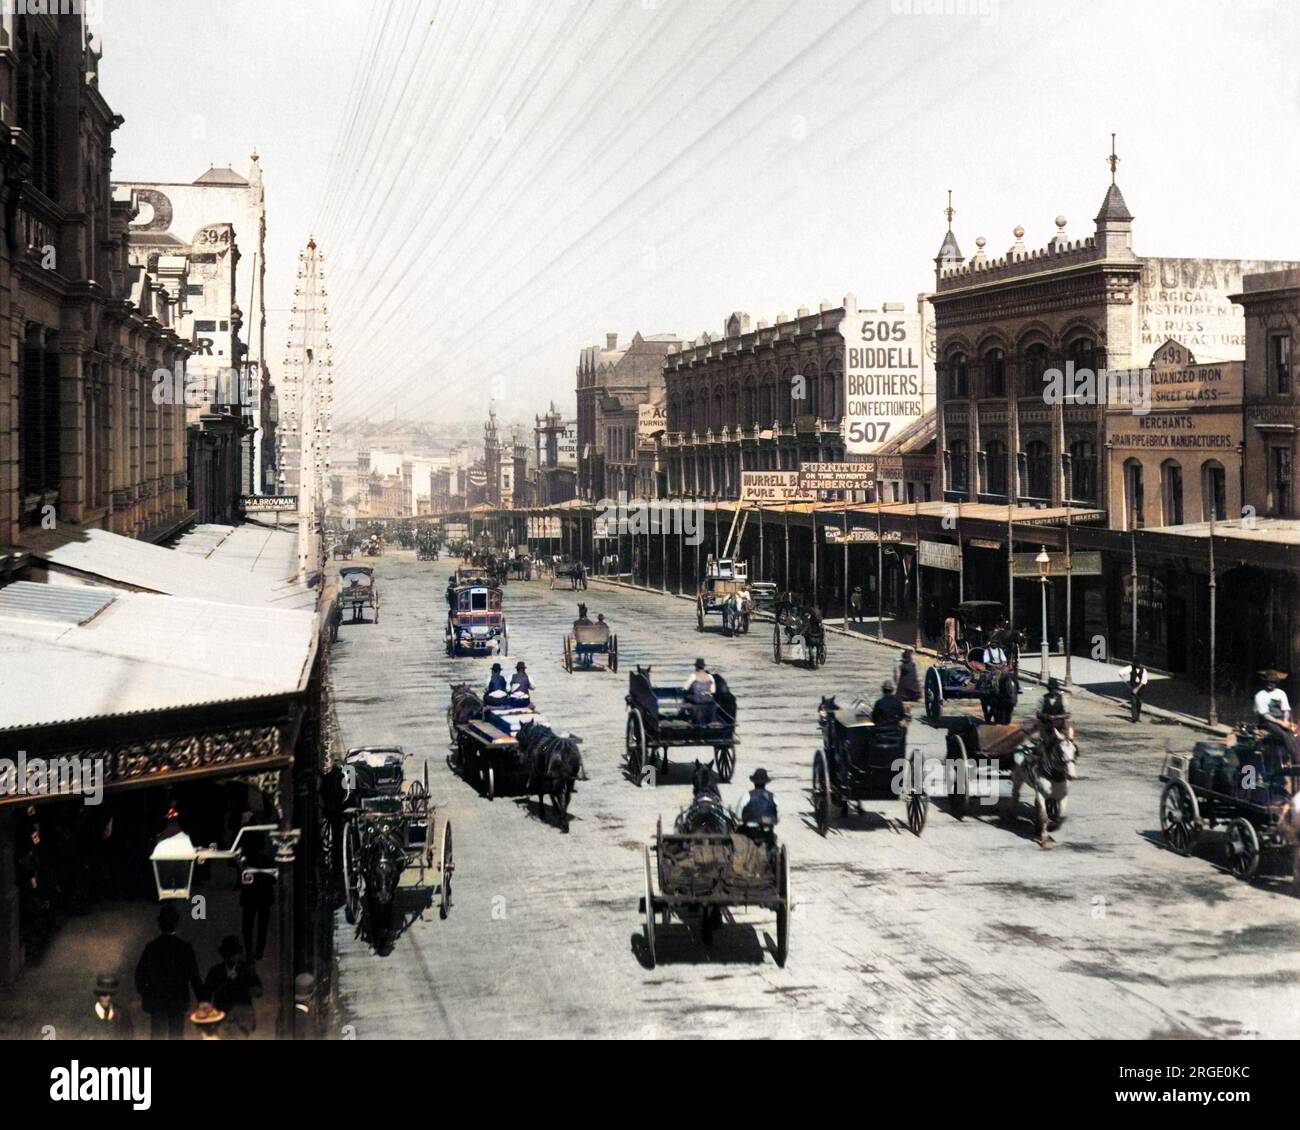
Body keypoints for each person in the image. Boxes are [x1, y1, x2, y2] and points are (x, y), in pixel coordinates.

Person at [134, 903, 204, 1040]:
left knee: (157, 1035)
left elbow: (139, 975)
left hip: (157, 1000)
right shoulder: (184, 948)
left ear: (160, 924)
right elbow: (195, 977)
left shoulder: (151, 947)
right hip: (178, 1000)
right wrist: (202, 1000)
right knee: (177, 1034)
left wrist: (146, 994)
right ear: (176, 924)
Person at [202, 936, 262, 1039]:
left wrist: (251, 990)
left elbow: (259, 990)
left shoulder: (246, 969)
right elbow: (206, 995)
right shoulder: (216, 971)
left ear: (238, 953)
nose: (231, 956)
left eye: (233, 953)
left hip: (242, 1019)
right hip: (222, 1019)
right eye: (228, 953)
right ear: (224, 955)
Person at [1254, 670, 1296, 761]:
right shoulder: (1260, 695)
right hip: (1267, 722)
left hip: (1281, 721)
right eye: (1268, 682)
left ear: (1276, 683)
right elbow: (1265, 715)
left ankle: (1292, 759)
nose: (1271, 684)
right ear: (1265, 682)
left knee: (1295, 733)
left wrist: (1285, 720)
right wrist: (1280, 723)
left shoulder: (1281, 693)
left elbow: (1286, 709)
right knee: (1284, 734)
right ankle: (1296, 758)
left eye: (1273, 682)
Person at [85, 972, 135, 1040]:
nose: (107, 998)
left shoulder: (122, 1014)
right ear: (98, 994)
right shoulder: (87, 1015)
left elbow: (129, 1036)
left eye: (110, 994)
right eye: (103, 994)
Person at [682, 658, 717, 725]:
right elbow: (713, 691)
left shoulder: (693, 676)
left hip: (697, 699)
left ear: (696, 667)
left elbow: (685, 688)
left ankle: (683, 714)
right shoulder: (710, 676)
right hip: (708, 699)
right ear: (704, 667)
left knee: (685, 696)